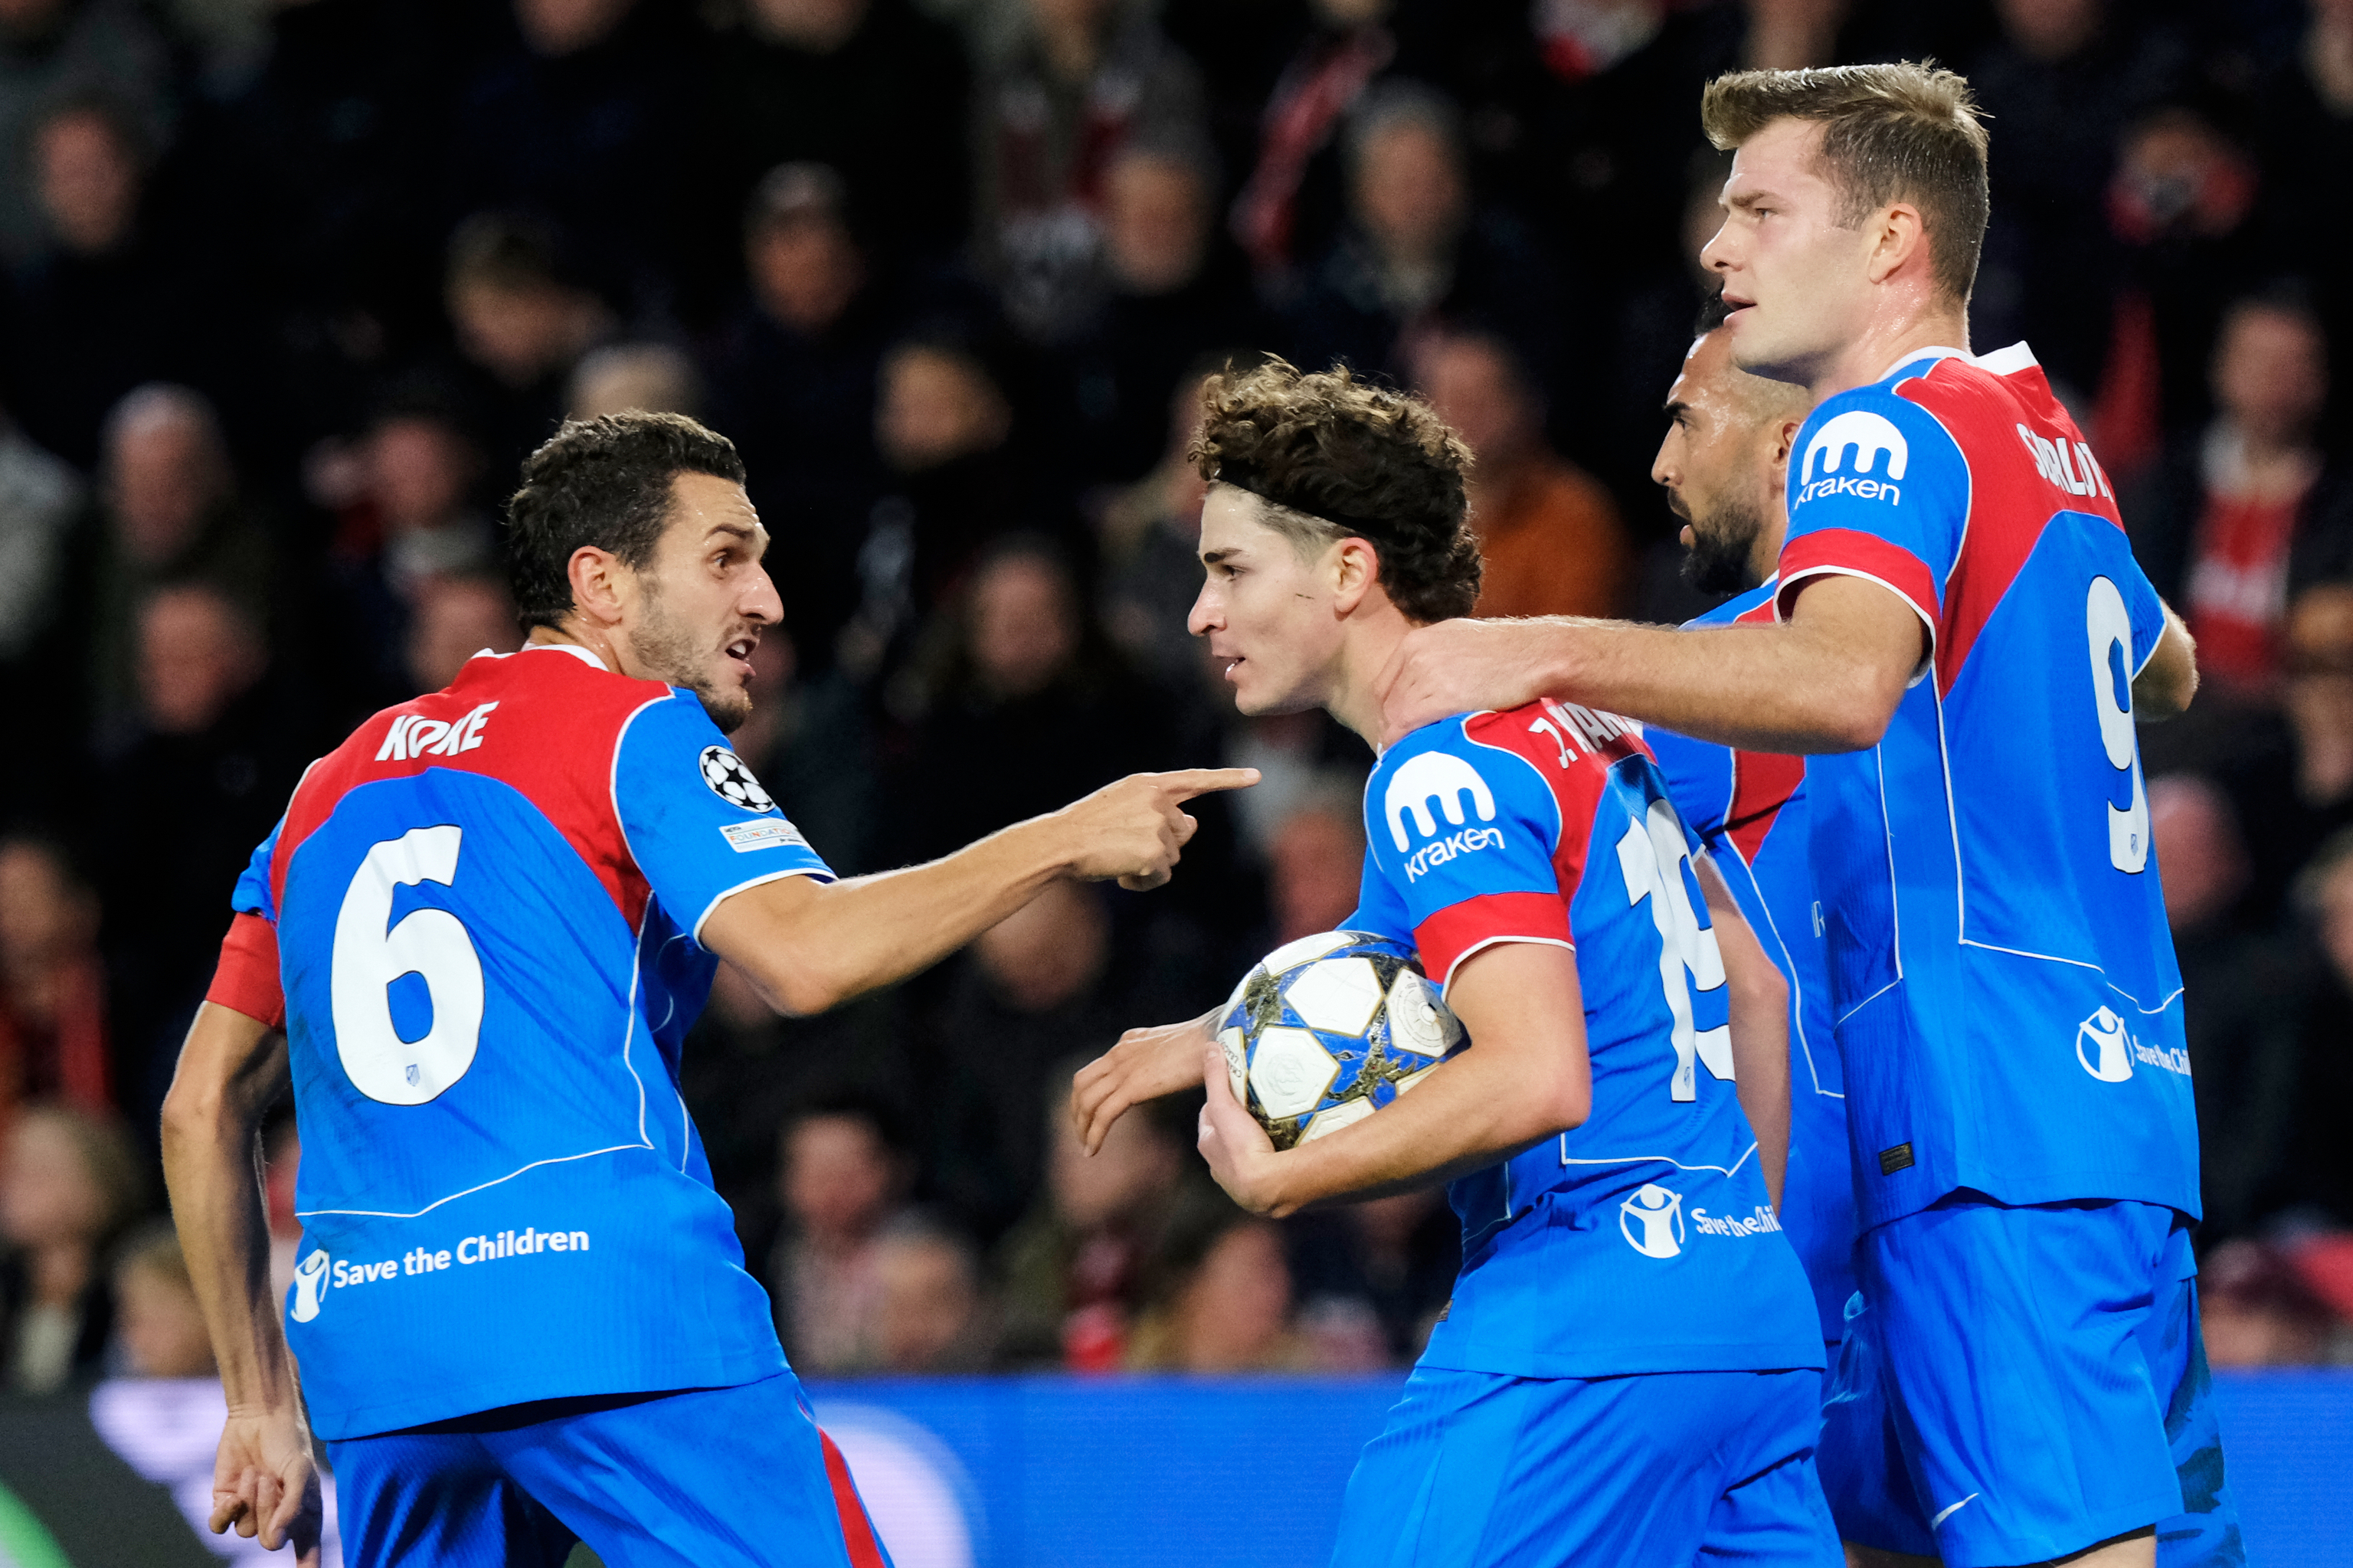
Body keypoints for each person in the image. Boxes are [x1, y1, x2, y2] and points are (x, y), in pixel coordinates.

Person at [1375, 64, 2231, 1568]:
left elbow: (1838, 684)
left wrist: (1540, 645)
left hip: (1985, 1115)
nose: (1721, 248)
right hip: (2125, 1096)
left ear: (1893, 238)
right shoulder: (2043, 428)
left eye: (1762, 209)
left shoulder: (1875, 429)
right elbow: (2168, 664)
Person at [161, 410, 1252, 1566]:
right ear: (603, 585)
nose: (767, 599)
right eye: (726, 556)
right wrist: (1064, 837)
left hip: (382, 1355)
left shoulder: (325, 786)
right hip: (608, 1311)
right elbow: (808, 955)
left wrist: (255, 1399)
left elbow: (198, 1105)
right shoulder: (628, 727)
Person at [1075, 359, 1835, 1563]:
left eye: (1230, 570)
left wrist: (1285, 1186)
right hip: (1749, 1323)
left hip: (1582, 1322)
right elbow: (1750, 980)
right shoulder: (1576, 730)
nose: (1198, 612)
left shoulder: (1438, 774)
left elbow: (1539, 1080)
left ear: (1346, 570)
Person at [1639, 303, 1855, 1350]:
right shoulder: (1952, 640)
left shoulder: (1749, 674)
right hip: (1979, 1195)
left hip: (1795, 1241)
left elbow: (1515, 824)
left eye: (1686, 421)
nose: (1661, 464)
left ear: (1785, 448)